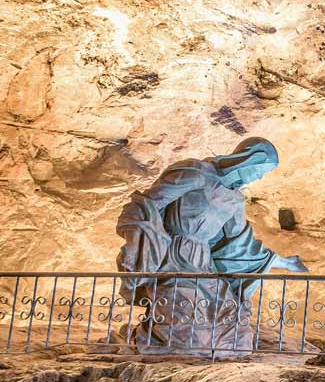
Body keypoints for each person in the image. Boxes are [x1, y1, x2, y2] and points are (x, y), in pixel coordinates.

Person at [115, 137, 307, 353]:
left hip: (205, 266)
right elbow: (149, 204)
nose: (260, 177)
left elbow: (240, 243)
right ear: (248, 159)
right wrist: (145, 242)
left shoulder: (235, 200)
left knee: (236, 335)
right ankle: (140, 337)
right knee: (191, 334)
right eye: (260, 170)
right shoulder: (196, 173)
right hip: (173, 262)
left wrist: (283, 262)